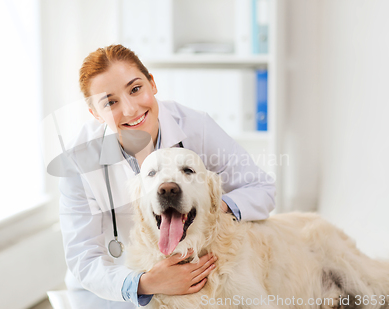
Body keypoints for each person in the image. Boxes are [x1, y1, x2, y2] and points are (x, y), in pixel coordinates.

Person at [58, 44, 275, 308]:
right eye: (110, 102)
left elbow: (262, 187)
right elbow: (84, 256)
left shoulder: (197, 127)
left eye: (135, 89)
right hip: (113, 286)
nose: (130, 109)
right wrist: (146, 283)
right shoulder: (77, 160)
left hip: (191, 276)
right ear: (95, 114)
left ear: (152, 84)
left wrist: (213, 205)